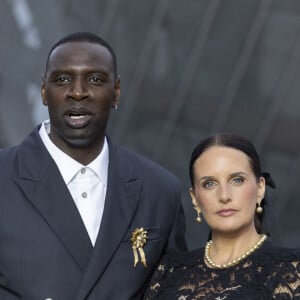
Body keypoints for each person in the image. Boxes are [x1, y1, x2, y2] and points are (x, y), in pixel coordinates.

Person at [0, 32, 187, 300]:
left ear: (116, 92)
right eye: (62, 79)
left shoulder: (159, 190)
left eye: (95, 80)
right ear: (44, 90)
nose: (78, 92)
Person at [144, 133, 300, 299]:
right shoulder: (168, 272)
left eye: (237, 180)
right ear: (195, 199)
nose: (224, 196)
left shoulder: (292, 271)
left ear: (260, 188)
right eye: (209, 184)